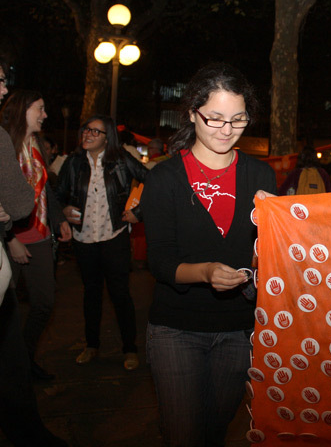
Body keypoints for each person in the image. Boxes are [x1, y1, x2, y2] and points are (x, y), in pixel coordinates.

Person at [141, 62, 276, 446]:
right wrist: (205, 272)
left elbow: (268, 256)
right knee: (183, 433)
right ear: (192, 113)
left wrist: (275, 231)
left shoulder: (261, 176)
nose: (226, 130)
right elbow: (160, 261)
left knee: (214, 431)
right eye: (214, 118)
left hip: (238, 328)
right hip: (177, 328)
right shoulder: (165, 178)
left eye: (237, 119)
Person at [0, 60, 68, 446]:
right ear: (21, 110)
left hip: (41, 236)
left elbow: (44, 191)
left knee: (43, 303)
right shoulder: (4, 143)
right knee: (6, 310)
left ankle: (20, 362)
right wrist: (9, 239)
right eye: (39, 108)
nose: (45, 114)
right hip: (13, 239)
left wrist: (58, 217)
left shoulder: (37, 146)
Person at [56, 115, 147, 370]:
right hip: (83, 239)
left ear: (108, 138)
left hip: (114, 237)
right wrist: (63, 210)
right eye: (86, 129)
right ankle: (91, 345)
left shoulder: (121, 160)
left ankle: (130, 349)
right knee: (91, 294)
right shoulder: (73, 163)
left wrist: (138, 212)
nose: (87, 134)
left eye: (95, 132)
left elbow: (153, 181)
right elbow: (57, 195)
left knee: (120, 294)